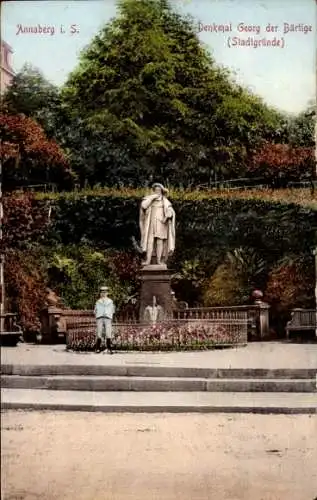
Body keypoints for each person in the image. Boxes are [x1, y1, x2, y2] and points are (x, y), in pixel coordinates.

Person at [139, 183, 175, 266]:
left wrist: (167, 216)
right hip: (151, 223)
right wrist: (152, 197)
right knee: (149, 241)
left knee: (160, 241)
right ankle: (148, 260)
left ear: (162, 191)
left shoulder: (165, 201)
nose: (157, 192)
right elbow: (144, 206)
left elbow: (170, 211)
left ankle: (159, 261)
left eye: (159, 190)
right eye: (156, 190)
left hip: (162, 224)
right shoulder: (149, 199)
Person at [94, 286, 115, 354]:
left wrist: (109, 316)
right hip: (100, 317)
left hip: (107, 317)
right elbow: (95, 310)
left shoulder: (110, 301)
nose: (103, 294)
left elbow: (112, 310)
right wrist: (97, 316)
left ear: (107, 293)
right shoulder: (98, 301)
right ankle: (98, 348)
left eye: (105, 292)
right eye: (102, 292)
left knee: (108, 332)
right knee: (99, 332)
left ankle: (109, 348)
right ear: (100, 293)